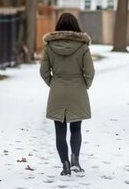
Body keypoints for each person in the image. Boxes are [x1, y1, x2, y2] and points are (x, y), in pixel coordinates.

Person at [40, 13, 95, 176]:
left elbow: (43, 71)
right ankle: (75, 161)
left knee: (60, 131)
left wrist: (53, 83)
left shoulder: (49, 46)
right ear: (75, 26)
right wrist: (85, 85)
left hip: (57, 90)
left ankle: (65, 165)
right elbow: (90, 72)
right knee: (76, 129)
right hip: (77, 90)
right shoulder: (83, 46)